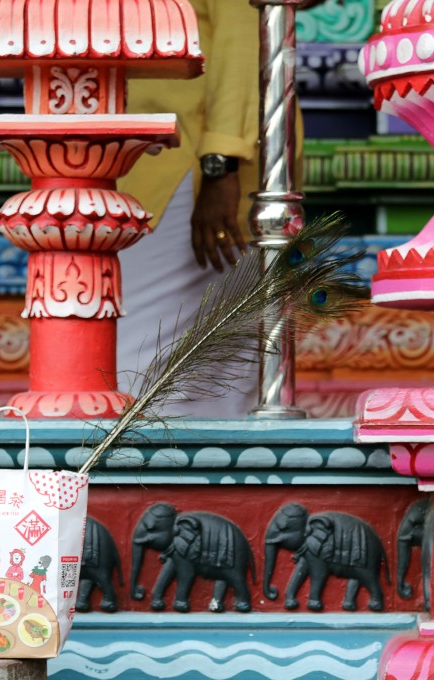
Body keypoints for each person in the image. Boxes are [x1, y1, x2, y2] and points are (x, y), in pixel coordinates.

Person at [116, 0, 261, 417]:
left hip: (192, 167)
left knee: (141, 357)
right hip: (141, 160)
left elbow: (242, 40)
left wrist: (220, 166)